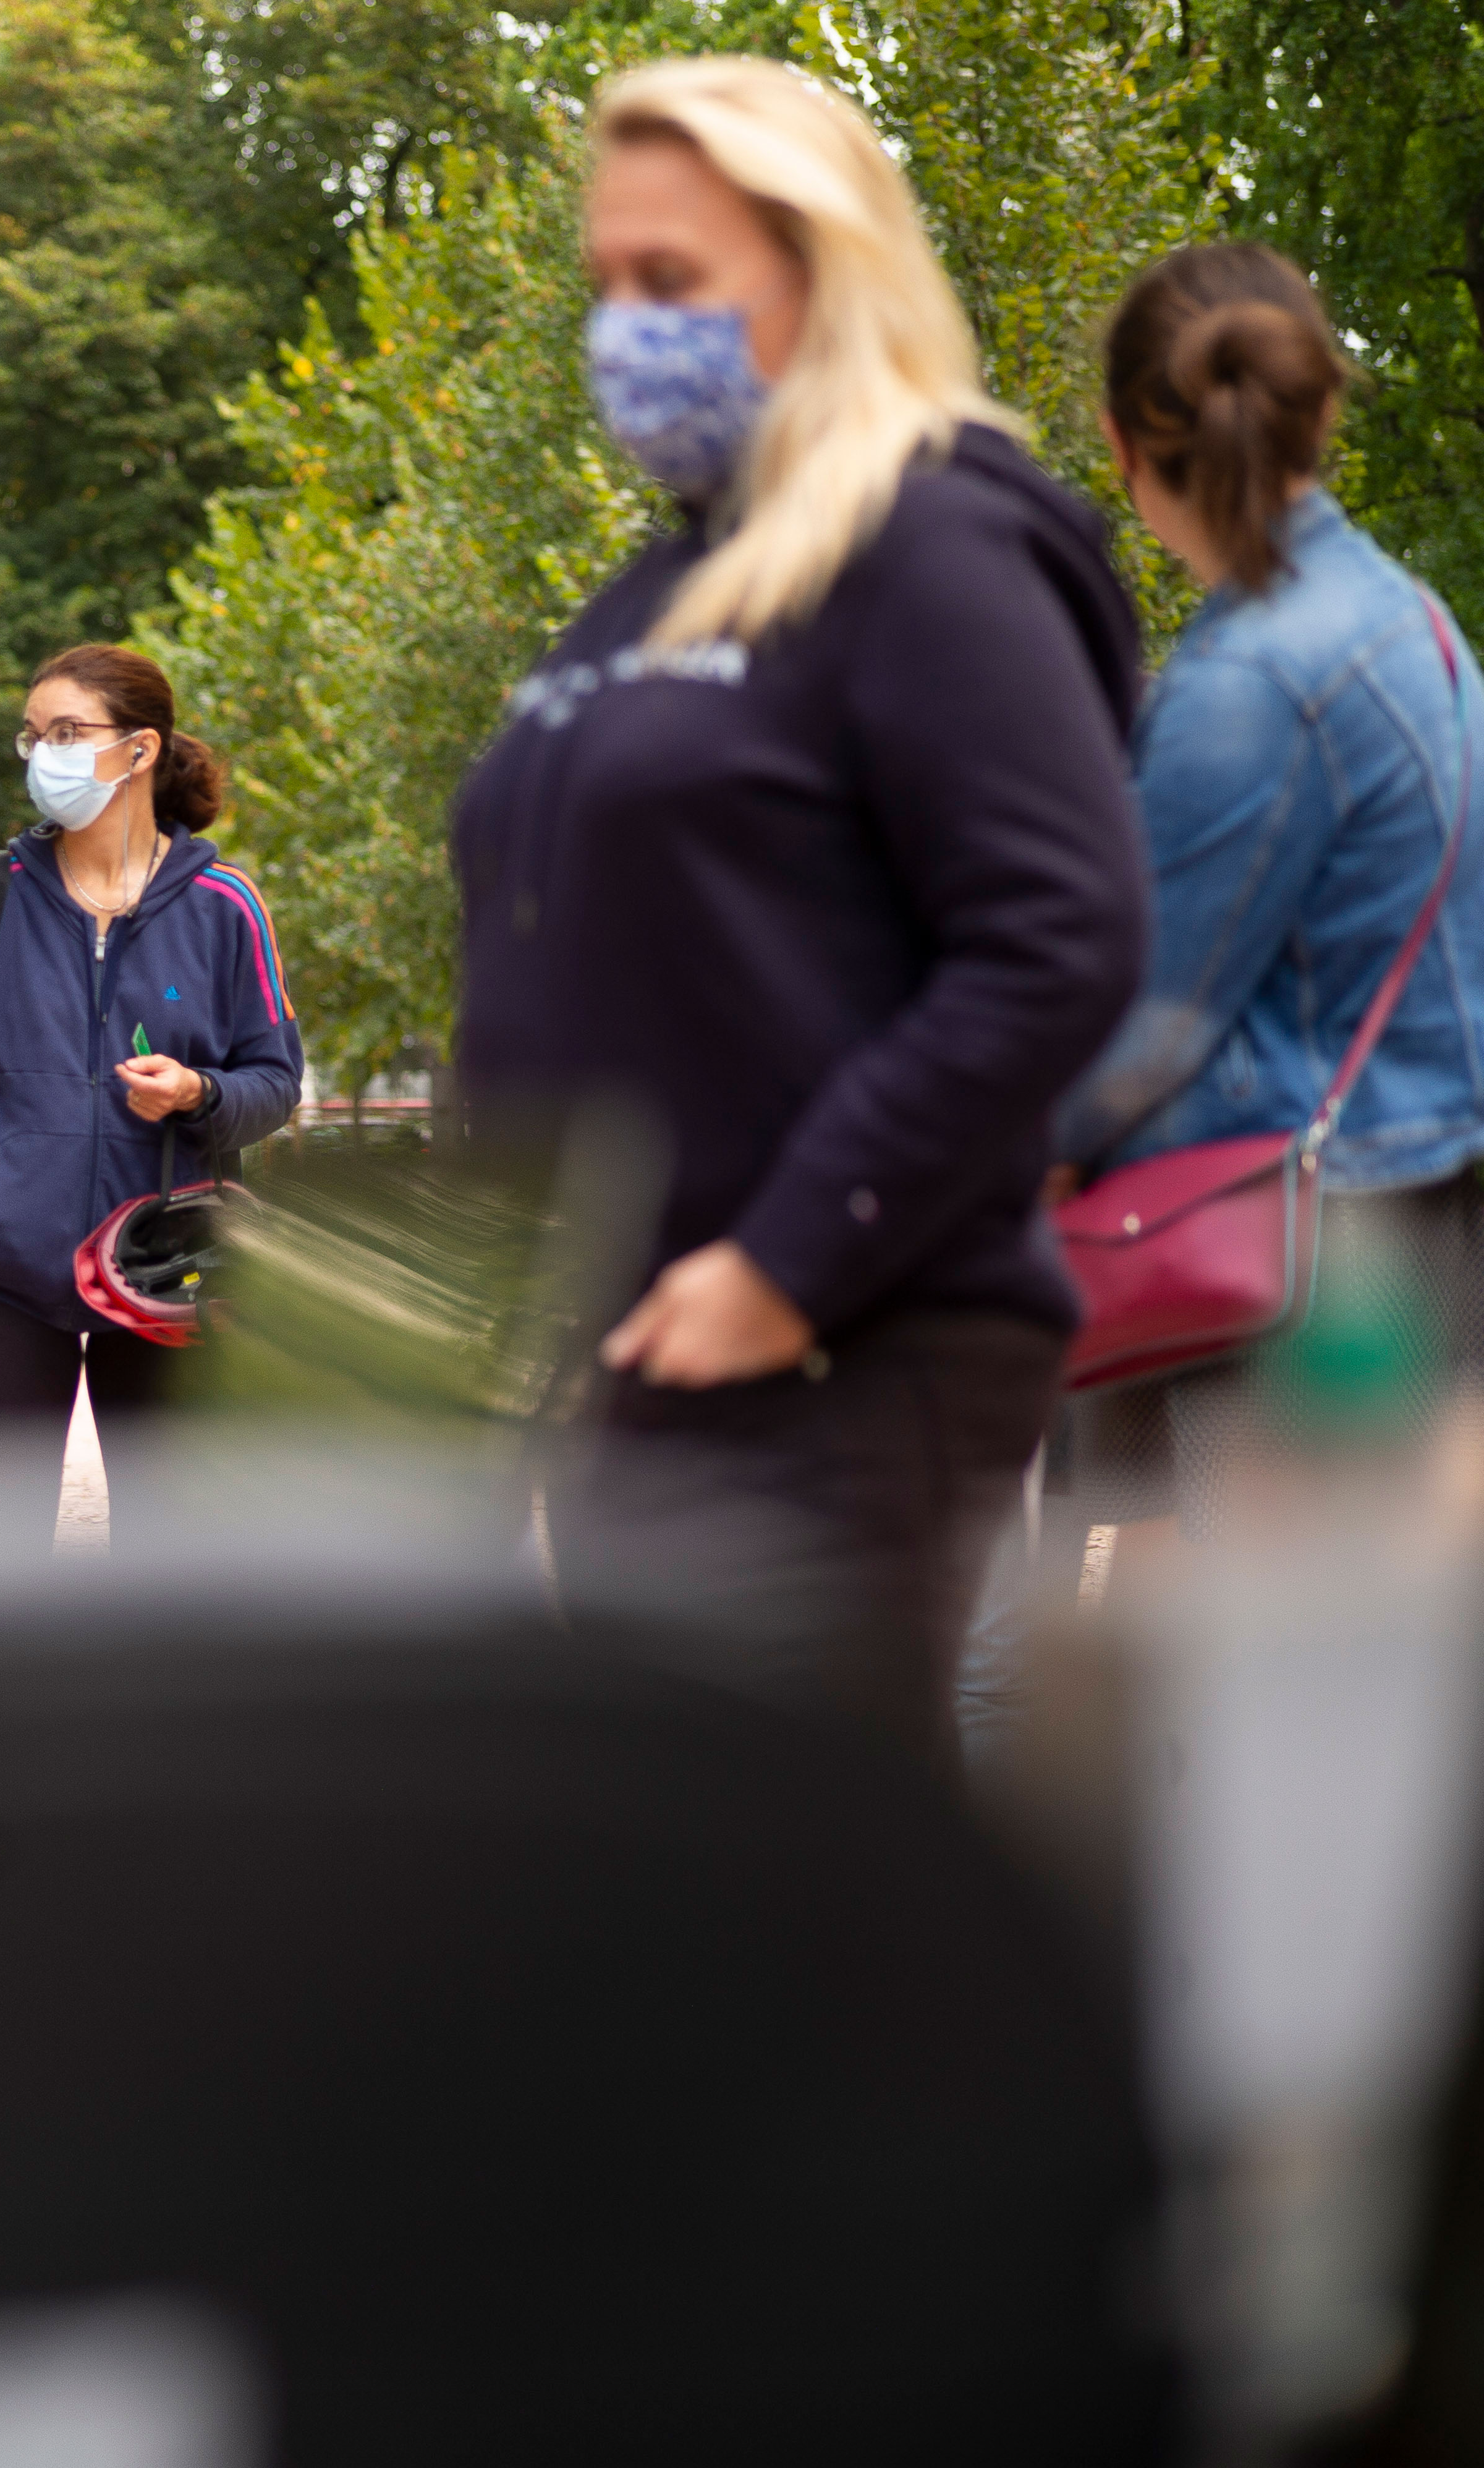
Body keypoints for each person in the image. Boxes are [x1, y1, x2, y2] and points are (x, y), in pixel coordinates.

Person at [444, 57, 1147, 1755]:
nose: (627, 329)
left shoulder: (936, 546)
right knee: (695, 1915)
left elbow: (1059, 932)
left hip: (835, 1348)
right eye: (607, 286)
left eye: (673, 282)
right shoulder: (666, 580)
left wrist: (786, 1260)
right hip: (648, 1353)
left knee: (780, 1913)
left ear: (826, 271)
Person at [1051, 244, 1484, 1533]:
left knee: (1282, 1684)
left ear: (1127, 449)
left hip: (1308, 1260)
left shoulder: (1248, 682)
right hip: (1417, 1212)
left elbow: (1150, 1016)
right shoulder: (1413, 620)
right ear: (1318, 413)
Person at [0, 648, 303, 1557]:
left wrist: (200, 1092)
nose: (42, 755)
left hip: (168, 1274)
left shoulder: (226, 905)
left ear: (140, 751)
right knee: (0, 1564)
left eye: (69, 733)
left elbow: (276, 1081)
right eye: (34, 735)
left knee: (171, 1563)